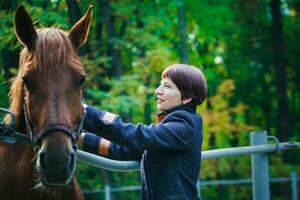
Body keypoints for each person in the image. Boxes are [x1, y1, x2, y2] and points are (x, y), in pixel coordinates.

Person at [79, 63, 207, 200]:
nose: (158, 90)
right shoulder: (169, 130)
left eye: (167, 86)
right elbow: (120, 149)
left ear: (187, 97)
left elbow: (137, 136)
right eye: (160, 84)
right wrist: (80, 138)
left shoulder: (186, 125)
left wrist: (84, 111)